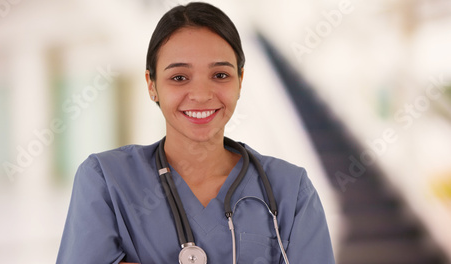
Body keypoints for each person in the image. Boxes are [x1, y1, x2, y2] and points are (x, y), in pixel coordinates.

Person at [56, 2, 335, 264]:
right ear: (151, 85)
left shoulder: (290, 190)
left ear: (240, 81)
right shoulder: (106, 179)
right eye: (179, 77)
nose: (201, 95)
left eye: (220, 75)